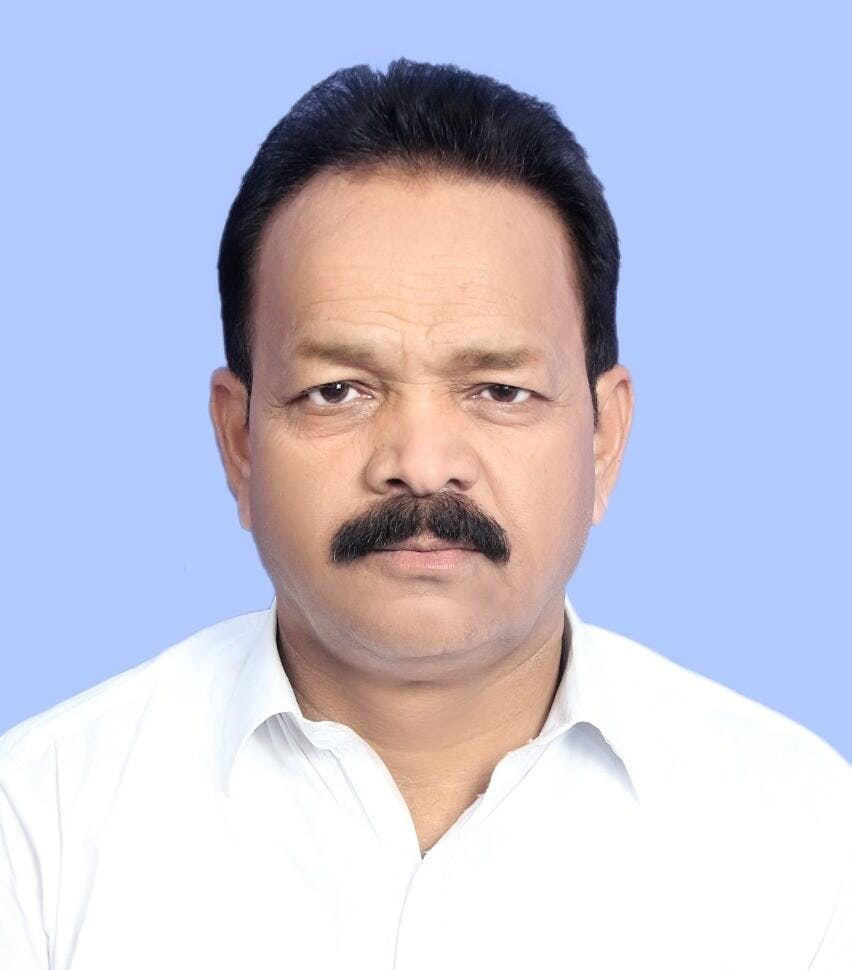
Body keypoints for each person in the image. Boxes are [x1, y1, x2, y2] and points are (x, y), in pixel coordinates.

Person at [1, 57, 849, 969]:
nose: (421, 463)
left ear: (605, 438)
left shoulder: (806, 840)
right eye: (338, 390)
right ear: (238, 442)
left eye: (499, 390)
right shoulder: (39, 826)